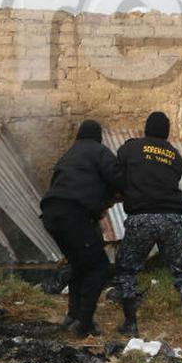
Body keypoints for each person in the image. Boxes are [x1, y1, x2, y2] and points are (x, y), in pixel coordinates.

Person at [110, 111, 182, 338]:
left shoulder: (132, 148)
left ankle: (130, 325)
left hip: (141, 218)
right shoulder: (175, 155)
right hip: (171, 218)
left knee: (126, 271)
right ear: (167, 132)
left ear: (146, 128)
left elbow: (118, 168)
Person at [40, 120, 125, 337]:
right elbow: (118, 178)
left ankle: (73, 316)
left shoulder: (68, 155)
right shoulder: (99, 151)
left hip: (51, 216)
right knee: (99, 268)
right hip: (74, 215)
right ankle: (84, 323)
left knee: (79, 266)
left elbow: (59, 185)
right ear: (99, 137)